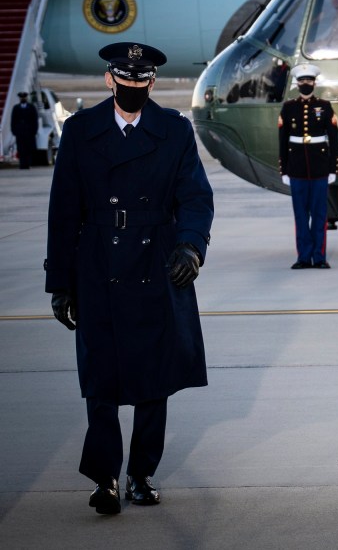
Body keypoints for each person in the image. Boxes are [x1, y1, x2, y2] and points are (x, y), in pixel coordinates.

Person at [45, 42, 214, 515]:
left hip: (156, 263)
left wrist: (191, 246)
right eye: (125, 79)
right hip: (97, 265)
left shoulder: (175, 130)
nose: (133, 87)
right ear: (109, 80)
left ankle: (141, 473)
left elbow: (195, 197)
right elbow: (63, 210)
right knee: (100, 379)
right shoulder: (81, 130)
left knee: (153, 378)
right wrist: (60, 282)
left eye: (142, 80)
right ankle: (104, 478)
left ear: (152, 83)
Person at [278, 64, 338, 269]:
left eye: (309, 81)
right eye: (302, 81)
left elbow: (333, 139)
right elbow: (282, 140)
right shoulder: (288, 107)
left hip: (320, 169)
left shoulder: (324, 106)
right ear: (297, 84)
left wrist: (332, 169)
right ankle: (304, 257)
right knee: (301, 216)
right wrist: (284, 170)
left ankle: (319, 257)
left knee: (320, 215)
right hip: (296, 170)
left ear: (314, 83)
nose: (305, 84)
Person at [11, 91, 39, 169]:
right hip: (20, 132)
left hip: (29, 131)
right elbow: (13, 120)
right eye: (21, 97)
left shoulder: (31, 107)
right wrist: (14, 131)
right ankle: (22, 164)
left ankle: (28, 164)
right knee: (20, 148)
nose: (23, 99)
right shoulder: (16, 108)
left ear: (26, 98)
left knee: (28, 148)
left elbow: (35, 120)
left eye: (24, 97)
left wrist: (34, 130)